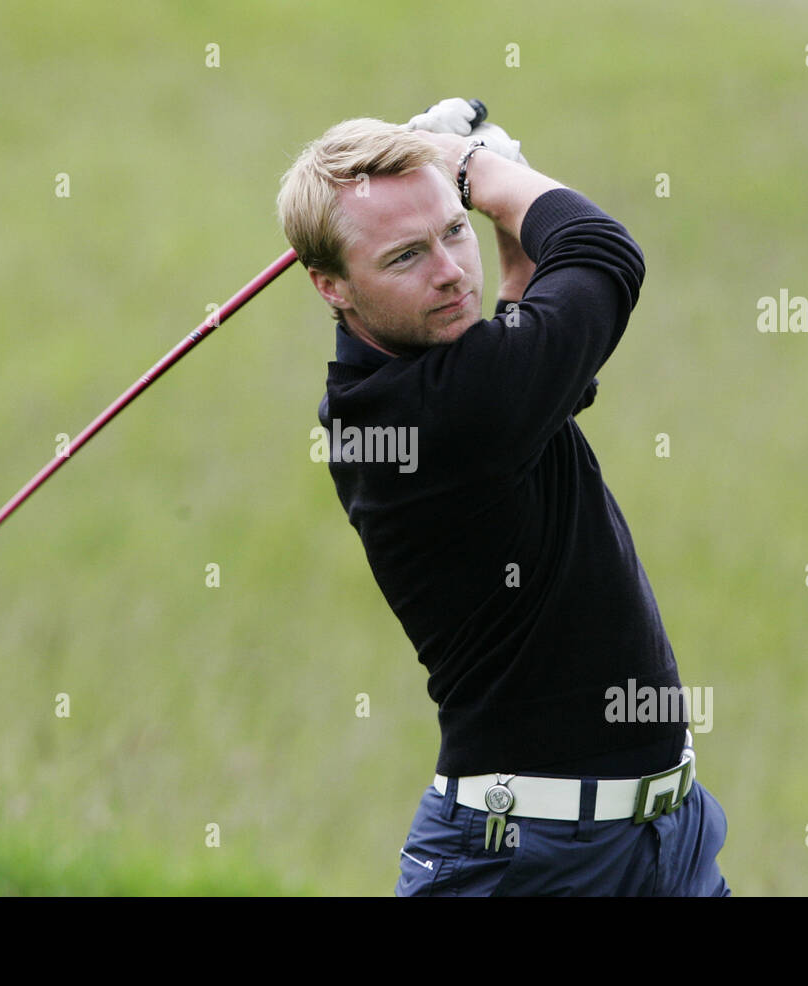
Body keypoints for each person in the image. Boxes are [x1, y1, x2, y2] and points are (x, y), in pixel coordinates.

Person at [276, 99, 729, 896]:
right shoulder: (427, 420)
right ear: (330, 286)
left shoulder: (439, 381)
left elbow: (520, 311)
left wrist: (475, 189)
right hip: (525, 863)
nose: (452, 270)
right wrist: (481, 171)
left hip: (663, 844)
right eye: (405, 256)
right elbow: (600, 253)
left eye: (453, 232)